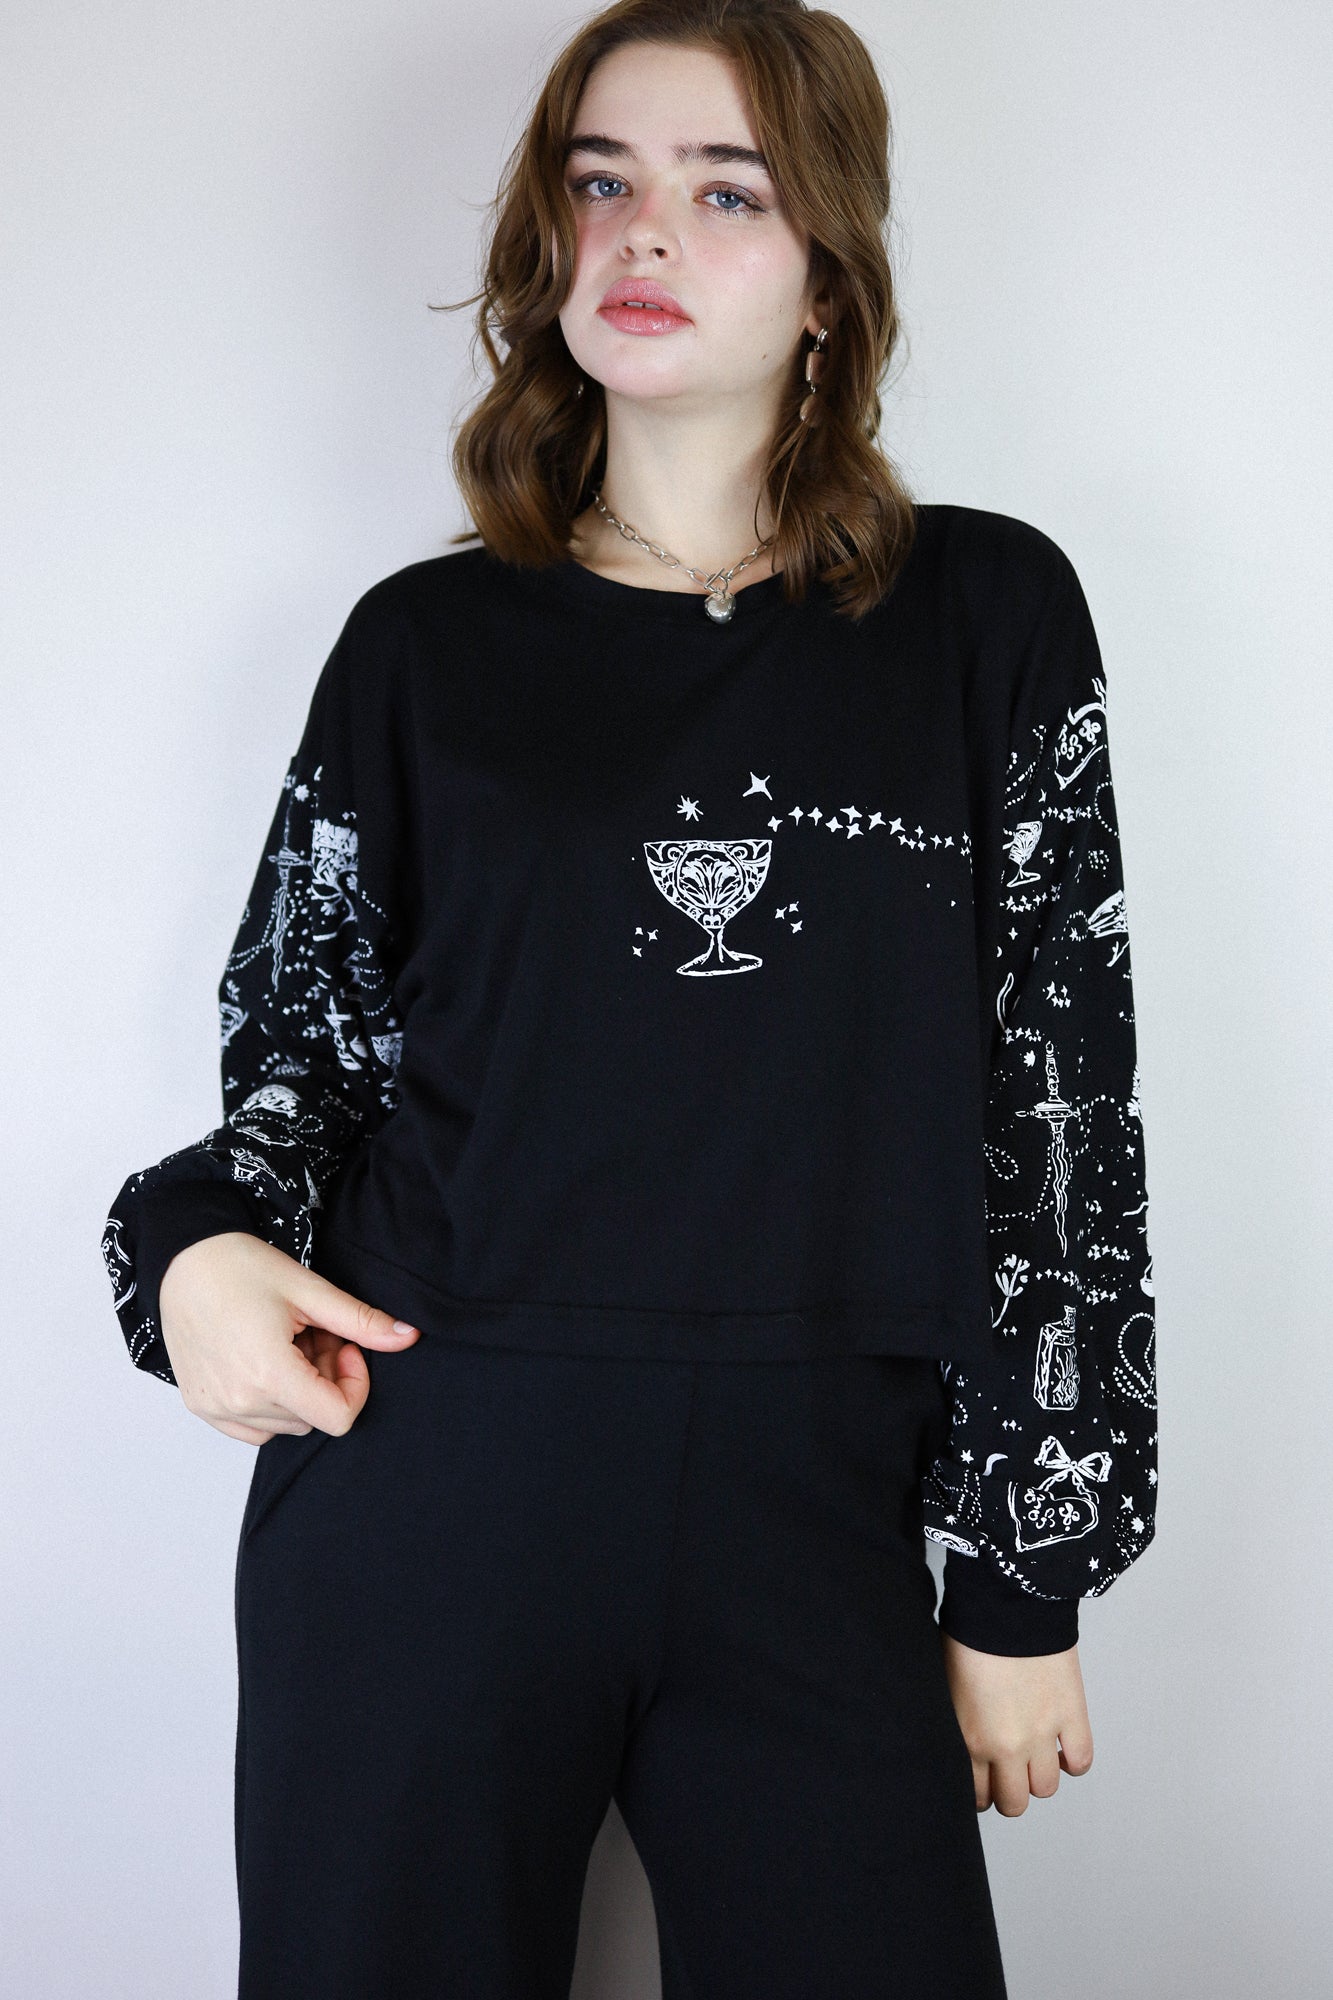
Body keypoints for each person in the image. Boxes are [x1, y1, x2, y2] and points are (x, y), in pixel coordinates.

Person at [100, 3, 1158, 1995]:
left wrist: (1029, 1570)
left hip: (820, 1497)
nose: (645, 230)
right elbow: (298, 1065)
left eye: (725, 190)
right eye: (603, 180)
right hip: (431, 1462)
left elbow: (1058, 1103)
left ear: (830, 279)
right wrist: (186, 1252)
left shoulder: (984, 613)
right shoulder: (424, 646)